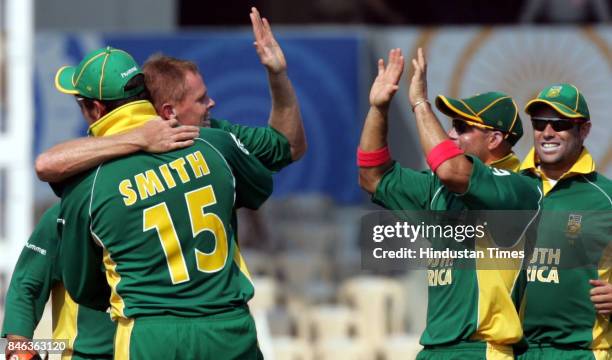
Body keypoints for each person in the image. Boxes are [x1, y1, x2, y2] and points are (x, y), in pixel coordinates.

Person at [4, 8, 303, 360]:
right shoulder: (213, 145)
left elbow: (76, 286)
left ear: (94, 110)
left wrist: (21, 347)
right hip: (227, 328)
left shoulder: (86, 187)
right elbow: (276, 163)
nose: (211, 103)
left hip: (138, 339)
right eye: (201, 98)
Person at [357, 48, 542, 359]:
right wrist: (379, 109)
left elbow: (450, 169)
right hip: (434, 347)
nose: (451, 134)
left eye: (462, 127)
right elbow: (371, 176)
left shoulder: (521, 187)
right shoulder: (440, 188)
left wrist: (419, 103)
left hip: (481, 348)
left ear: (495, 139)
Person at [516, 83, 612, 359]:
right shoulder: (510, 188)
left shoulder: (606, 198)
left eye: (559, 124)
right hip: (516, 352)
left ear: (584, 130)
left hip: (582, 352)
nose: (547, 132)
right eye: (539, 123)